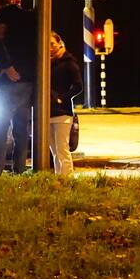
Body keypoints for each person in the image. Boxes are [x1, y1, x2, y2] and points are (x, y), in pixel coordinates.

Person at [0, 0, 36, 173]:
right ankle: (19, 169)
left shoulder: (2, 17)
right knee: (20, 129)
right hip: (28, 81)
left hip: (9, 83)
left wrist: (7, 67)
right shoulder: (28, 17)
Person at [48, 31, 82, 177]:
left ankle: (67, 179)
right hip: (48, 111)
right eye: (47, 44)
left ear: (59, 43)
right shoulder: (45, 63)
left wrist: (63, 98)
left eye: (52, 44)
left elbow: (78, 85)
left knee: (62, 148)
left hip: (62, 113)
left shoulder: (68, 62)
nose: (50, 48)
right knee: (54, 150)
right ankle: (58, 177)